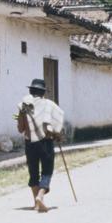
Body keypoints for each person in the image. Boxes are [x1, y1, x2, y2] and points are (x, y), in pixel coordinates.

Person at [15, 79, 65, 213]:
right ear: (43, 92)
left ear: (31, 91)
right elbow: (57, 123)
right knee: (47, 171)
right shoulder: (49, 105)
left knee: (33, 172)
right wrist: (57, 136)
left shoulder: (23, 106)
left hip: (30, 143)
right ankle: (40, 196)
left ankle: (36, 203)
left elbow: (20, 129)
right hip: (46, 142)